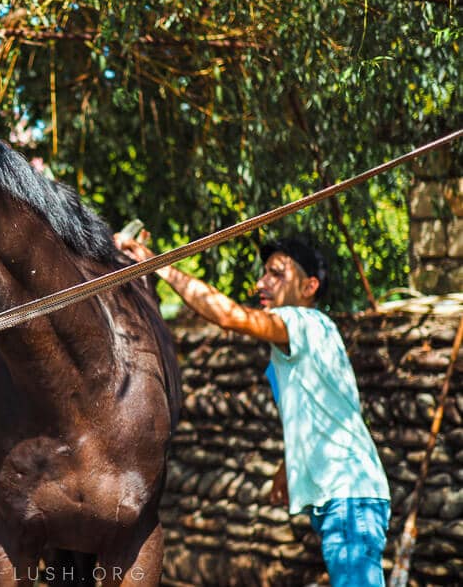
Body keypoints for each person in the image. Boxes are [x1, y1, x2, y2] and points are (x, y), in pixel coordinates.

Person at [115, 232, 391, 587]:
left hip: (349, 498)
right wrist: (288, 466)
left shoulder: (304, 323)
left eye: (276, 273)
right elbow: (322, 413)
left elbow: (230, 317)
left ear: (309, 287)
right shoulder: (311, 337)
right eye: (264, 273)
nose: (262, 283)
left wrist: (157, 263)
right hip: (344, 496)